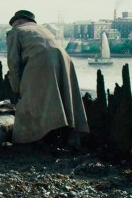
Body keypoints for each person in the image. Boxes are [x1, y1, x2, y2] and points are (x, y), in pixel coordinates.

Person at [6, 10, 89, 149]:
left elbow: (13, 63)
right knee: (62, 100)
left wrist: (17, 88)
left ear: (18, 22)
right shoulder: (44, 30)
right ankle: (69, 138)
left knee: (31, 101)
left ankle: (30, 139)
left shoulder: (16, 31)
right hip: (64, 61)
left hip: (41, 60)